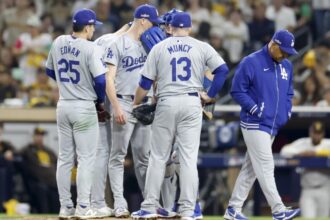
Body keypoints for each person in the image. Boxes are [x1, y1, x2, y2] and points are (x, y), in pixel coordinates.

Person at [130, 12, 229, 220]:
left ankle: (149, 207)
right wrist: (210, 95)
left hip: (167, 101)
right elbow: (222, 70)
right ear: (190, 28)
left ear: (169, 28)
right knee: (188, 159)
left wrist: (136, 102)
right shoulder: (201, 46)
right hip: (192, 102)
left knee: (157, 157)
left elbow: (145, 83)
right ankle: (187, 210)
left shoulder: (159, 47)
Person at [224, 29, 300, 220]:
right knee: (265, 165)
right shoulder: (252, 61)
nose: (284, 55)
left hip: (272, 125)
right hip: (254, 122)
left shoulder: (287, 66)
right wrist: (255, 109)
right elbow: (236, 90)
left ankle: (233, 209)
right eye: (282, 51)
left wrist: (287, 110)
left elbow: (289, 92)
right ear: (273, 44)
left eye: (288, 53)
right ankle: (278, 210)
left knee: (250, 169)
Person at [45, 8, 107, 219]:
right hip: (83, 106)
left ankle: (65, 207)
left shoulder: (59, 41)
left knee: (64, 159)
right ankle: (82, 207)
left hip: (64, 105)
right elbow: (100, 80)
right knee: (86, 159)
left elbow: (50, 71)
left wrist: (67, 85)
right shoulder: (91, 49)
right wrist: (99, 101)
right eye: (93, 27)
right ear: (88, 27)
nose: (93, 31)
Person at [104, 4, 162, 218]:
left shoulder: (150, 45)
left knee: (144, 157)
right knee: (117, 156)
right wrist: (116, 107)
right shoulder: (117, 43)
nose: (155, 28)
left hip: (143, 103)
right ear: (143, 20)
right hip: (123, 102)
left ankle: (149, 204)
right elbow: (108, 78)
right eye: (153, 23)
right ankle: (120, 204)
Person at [90, 23, 130, 218]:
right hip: (108, 97)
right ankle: (98, 202)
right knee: (107, 153)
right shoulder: (120, 41)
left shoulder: (102, 39)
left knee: (100, 153)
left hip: (94, 97)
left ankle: (95, 202)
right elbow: (106, 79)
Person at [280, 121, 330, 218]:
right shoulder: (303, 142)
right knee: (307, 217)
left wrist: (317, 153)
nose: (316, 136)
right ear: (310, 132)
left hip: (325, 189)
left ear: (323, 134)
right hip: (307, 190)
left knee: (323, 218)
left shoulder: (327, 143)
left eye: (319, 133)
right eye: (314, 132)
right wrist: (301, 152)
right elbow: (284, 151)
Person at [20, 127, 59, 213]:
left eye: (41, 136)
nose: (40, 138)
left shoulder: (49, 151)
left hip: (52, 182)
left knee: (59, 191)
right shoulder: (28, 150)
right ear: (33, 136)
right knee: (42, 189)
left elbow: (58, 163)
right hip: (36, 182)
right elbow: (17, 155)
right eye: (37, 135)